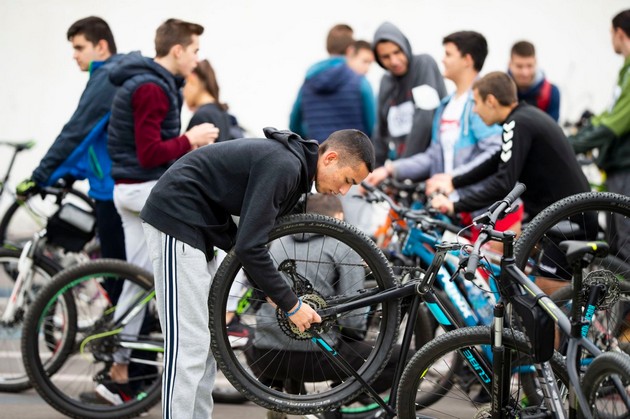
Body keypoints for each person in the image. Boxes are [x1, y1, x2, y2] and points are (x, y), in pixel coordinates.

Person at [141, 128, 375, 418]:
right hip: (176, 219)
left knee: (204, 348)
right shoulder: (285, 166)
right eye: (347, 181)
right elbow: (250, 246)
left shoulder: (295, 171)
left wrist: (271, 293)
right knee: (188, 346)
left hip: (202, 230)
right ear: (330, 158)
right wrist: (290, 304)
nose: (344, 191)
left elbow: (253, 243)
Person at [95, 18, 219, 405]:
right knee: (203, 243)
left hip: (129, 188)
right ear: (178, 50)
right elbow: (150, 153)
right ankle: (194, 334)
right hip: (144, 187)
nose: (197, 61)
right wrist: (190, 140)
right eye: (195, 50)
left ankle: (118, 369)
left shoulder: (154, 83)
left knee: (138, 280)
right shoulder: (152, 88)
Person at [427, 71, 591, 293]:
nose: (474, 110)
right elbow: (497, 161)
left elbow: (503, 184)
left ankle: (572, 324)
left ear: (491, 101)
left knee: (545, 298)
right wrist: (454, 182)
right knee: (496, 251)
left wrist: (456, 205)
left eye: (476, 103)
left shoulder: (518, 123)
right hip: (552, 217)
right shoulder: (523, 117)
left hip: (568, 222)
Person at [246, 193, 401, 418]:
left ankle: (277, 388)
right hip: (317, 359)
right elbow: (353, 320)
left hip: (265, 355)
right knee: (402, 358)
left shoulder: (277, 240)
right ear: (338, 216)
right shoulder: (344, 245)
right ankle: (333, 400)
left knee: (286, 328)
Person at [364, 30, 518, 241]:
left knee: (494, 274)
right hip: (456, 210)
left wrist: (453, 179)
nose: (442, 59)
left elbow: (494, 152)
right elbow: (432, 156)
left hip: (490, 210)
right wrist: (390, 169)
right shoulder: (445, 105)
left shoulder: (480, 103)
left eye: (448, 54)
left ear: (467, 60)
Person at [16, 16, 126, 266]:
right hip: (110, 189)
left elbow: (76, 133)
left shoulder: (108, 78)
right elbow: (95, 141)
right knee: (116, 269)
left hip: (113, 193)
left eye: (79, 47)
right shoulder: (111, 76)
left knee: (117, 273)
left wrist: (39, 177)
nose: (74, 55)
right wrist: (71, 175)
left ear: (101, 46)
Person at [568, 8, 630, 260]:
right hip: (617, 168)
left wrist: (571, 144)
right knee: (615, 243)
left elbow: (615, 122)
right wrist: (585, 128)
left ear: (618, 32)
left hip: (626, 168)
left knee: (626, 244)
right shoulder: (625, 70)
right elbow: (607, 114)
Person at [371, 21, 447, 167]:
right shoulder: (385, 82)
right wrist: (376, 171)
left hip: (430, 164)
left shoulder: (423, 64)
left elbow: (424, 119)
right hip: (401, 168)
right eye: (385, 57)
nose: (394, 61)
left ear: (405, 47)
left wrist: (400, 168)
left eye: (397, 52)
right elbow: (380, 131)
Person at [289, 27, 375, 143]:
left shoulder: (308, 82)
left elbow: (294, 125)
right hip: (354, 155)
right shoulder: (360, 81)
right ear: (350, 50)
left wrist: (314, 139)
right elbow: (373, 127)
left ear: (328, 47)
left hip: (320, 155)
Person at [183, 58, 245, 139]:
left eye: (183, 85)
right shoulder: (223, 113)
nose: (183, 93)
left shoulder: (201, 117)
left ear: (192, 79)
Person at [508, 40, 561, 122]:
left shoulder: (551, 93)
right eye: (519, 66)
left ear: (536, 63)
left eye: (529, 66)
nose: (525, 72)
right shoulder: (498, 91)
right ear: (510, 64)